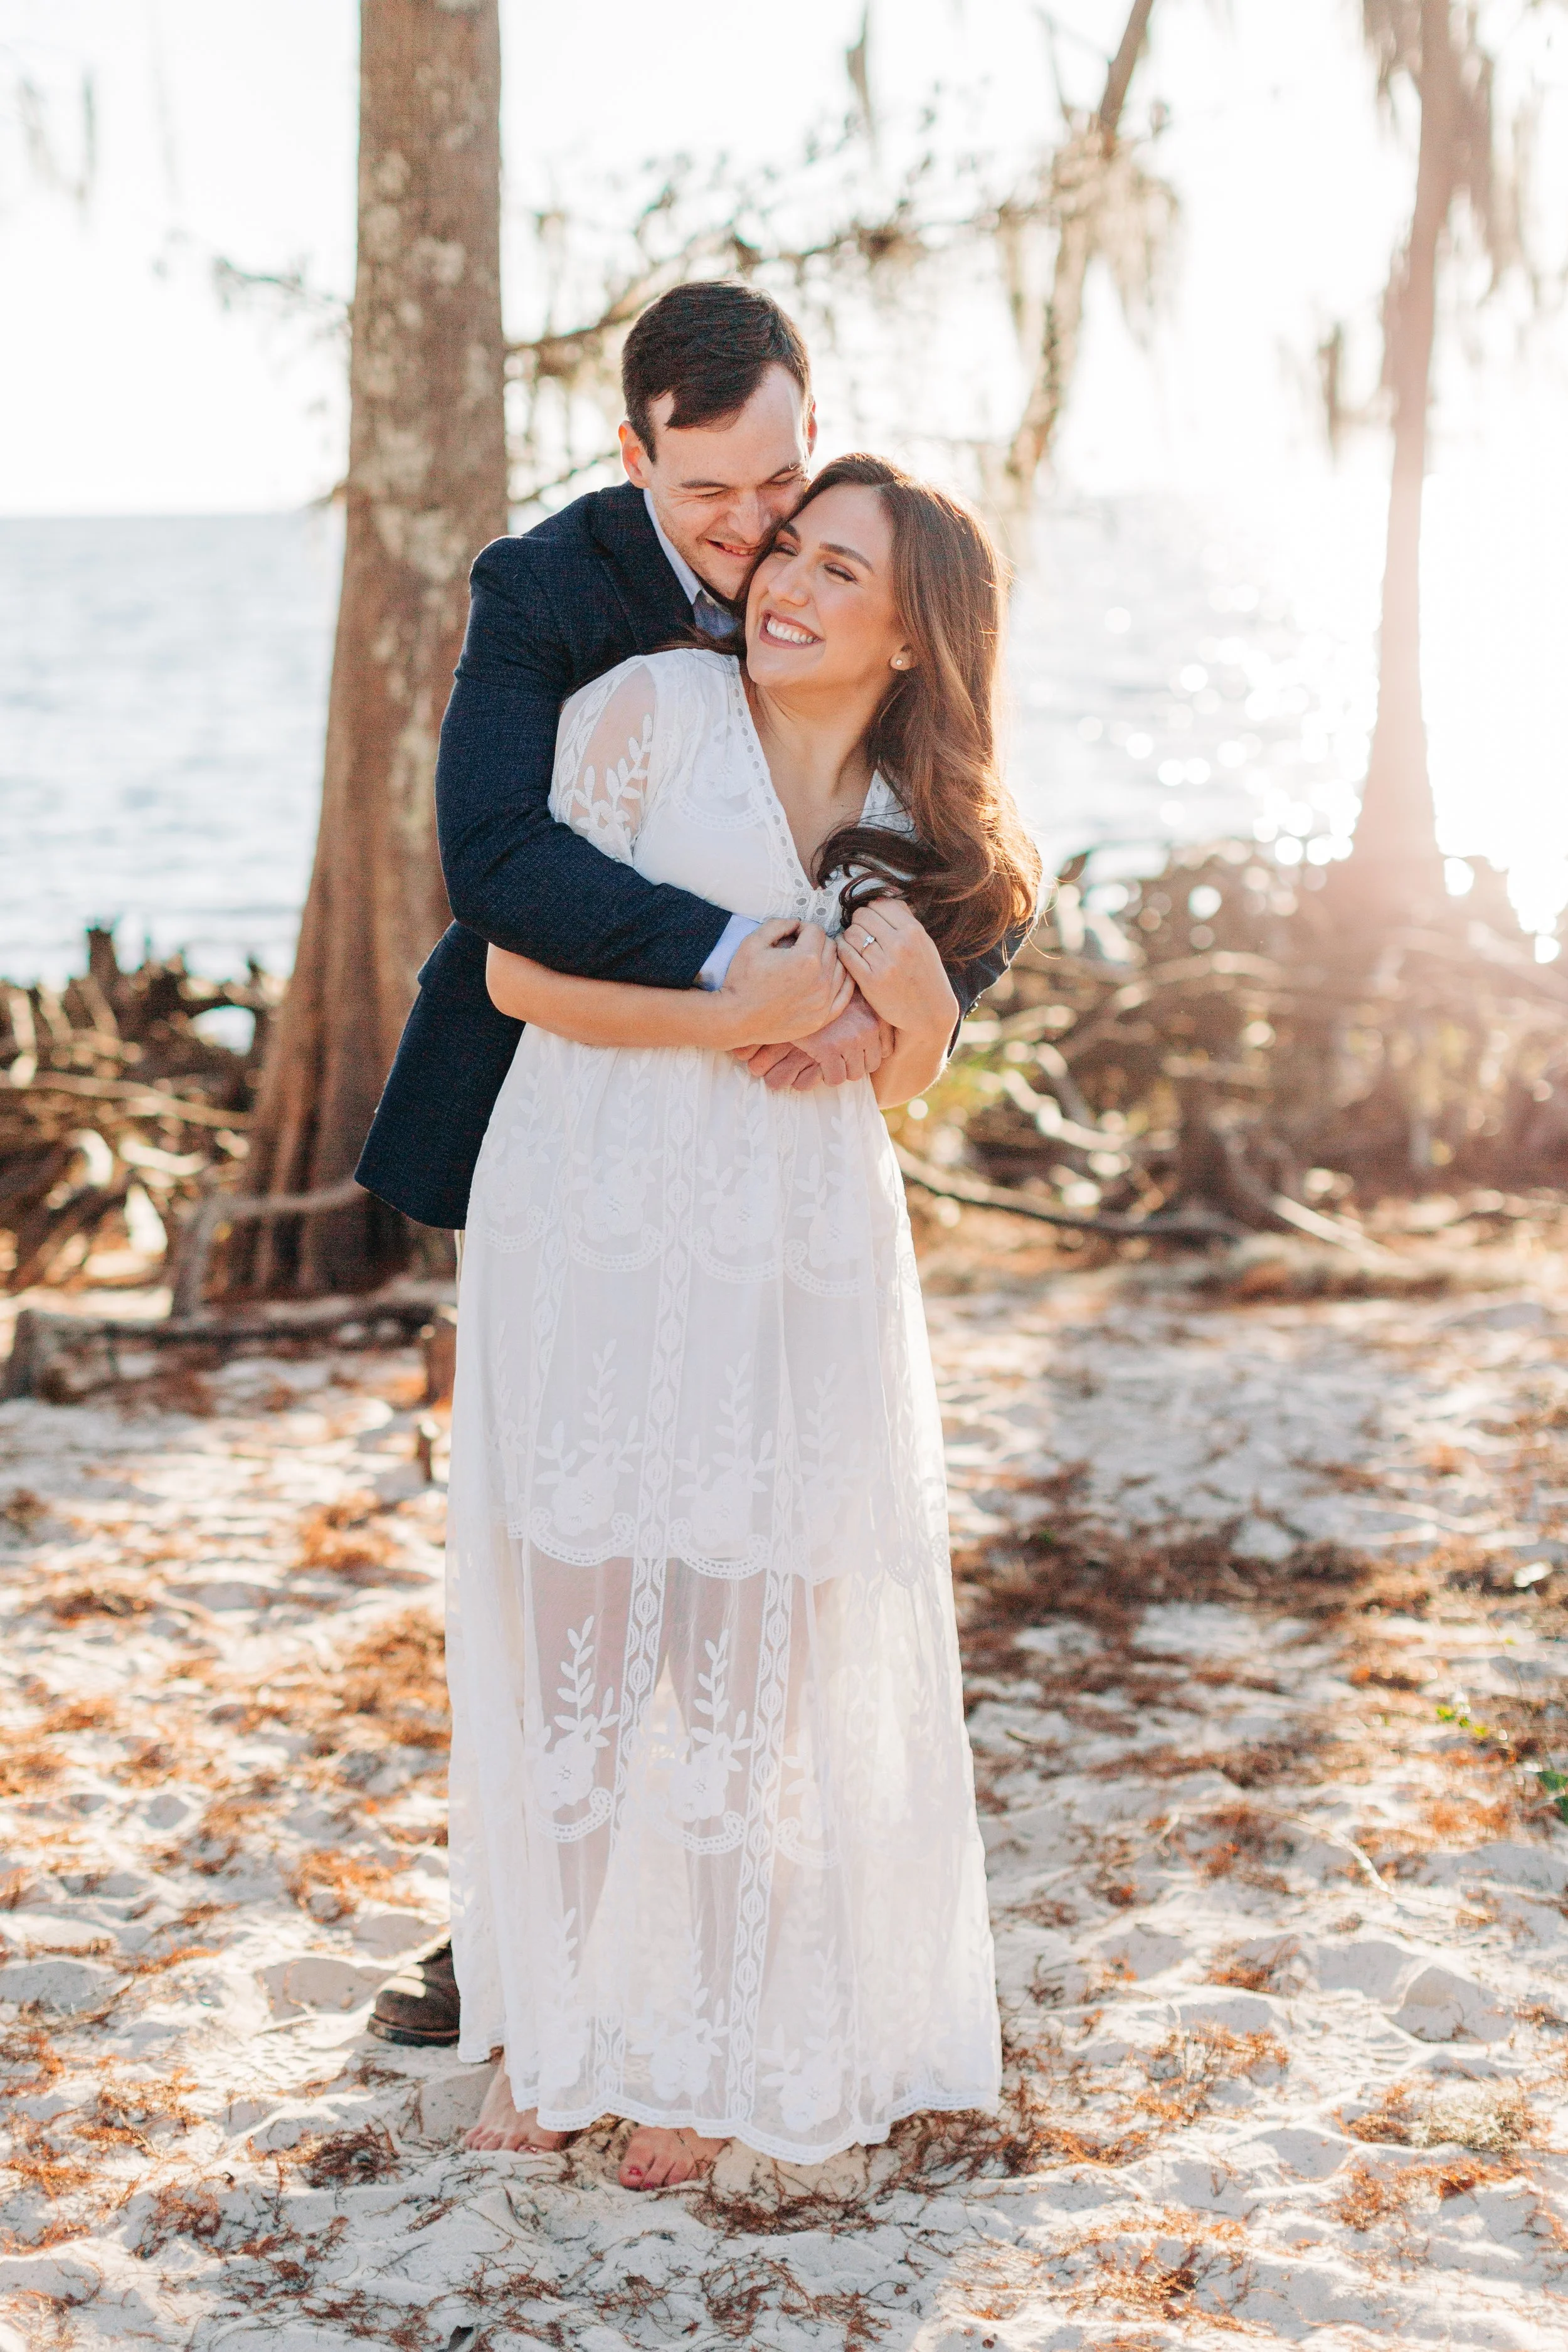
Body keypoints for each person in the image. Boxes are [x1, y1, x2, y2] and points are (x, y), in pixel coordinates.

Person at [358, 283, 1024, 2053]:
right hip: (569, 1105)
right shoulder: (551, 589)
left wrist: (896, 1005)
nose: (753, 541)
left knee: (741, 1545)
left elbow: (965, 843)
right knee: (570, 1526)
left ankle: (712, 1938)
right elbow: (494, 859)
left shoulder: (848, 583)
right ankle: (519, 1943)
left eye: (781, 489)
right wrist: (742, 964)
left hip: (770, 1178)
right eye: (712, 497)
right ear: (634, 449)